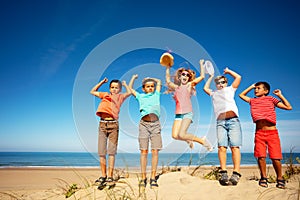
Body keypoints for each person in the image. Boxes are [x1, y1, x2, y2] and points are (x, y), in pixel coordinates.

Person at [239, 81, 292, 189]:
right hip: (259, 133)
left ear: (266, 91)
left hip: (272, 133)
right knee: (261, 156)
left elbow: (288, 107)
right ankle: (263, 178)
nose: (256, 90)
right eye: (255, 88)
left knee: (276, 158)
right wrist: (251, 86)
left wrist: (280, 95)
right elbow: (241, 95)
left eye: (258, 88)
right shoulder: (252, 101)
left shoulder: (271, 99)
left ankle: (280, 178)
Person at [203, 67, 242, 186]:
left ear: (226, 83)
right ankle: (223, 172)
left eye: (222, 82)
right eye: (218, 83)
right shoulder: (213, 93)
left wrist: (229, 71)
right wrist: (210, 77)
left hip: (233, 121)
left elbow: (239, 77)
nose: (220, 84)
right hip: (220, 122)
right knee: (221, 147)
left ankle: (236, 173)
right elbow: (205, 88)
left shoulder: (230, 89)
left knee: (235, 147)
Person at [90, 78, 131, 189]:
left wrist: (126, 84)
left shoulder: (120, 97)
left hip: (113, 126)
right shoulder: (105, 95)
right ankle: (103, 176)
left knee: (111, 152)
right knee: (102, 152)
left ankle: (110, 176)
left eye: (116, 88)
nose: (114, 89)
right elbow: (92, 91)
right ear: (109, 88)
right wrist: (101, 83)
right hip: (102, 125)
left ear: (120, 89)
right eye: (112, 87)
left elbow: (130, 92)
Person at [165, 59, 213, 151]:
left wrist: (201, 64)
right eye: (183, 74)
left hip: (188, 113)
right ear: (179, 77)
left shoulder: (190, 85)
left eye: (187, 75)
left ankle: (202, 141)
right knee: (175, 136)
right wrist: (167, 67)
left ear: (189, 78)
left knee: (182, 134)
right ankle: (188, 139)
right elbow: (168, 80)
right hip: (178, 114)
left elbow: (202, 76)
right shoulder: (176, 87)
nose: (185, 76)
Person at [129, 74, 163, 188]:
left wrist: (151, 78)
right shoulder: (140, 96)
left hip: (156, 125)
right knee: (144, 151)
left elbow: (159, 81)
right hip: (144, 125)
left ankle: (153, 178)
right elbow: (130, 89)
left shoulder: (157, 94)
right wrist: (133, 78)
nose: (150, 88)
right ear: (143, 88)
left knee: (155, 151)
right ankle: (143, 178)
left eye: (152, 86)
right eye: (148, 86)